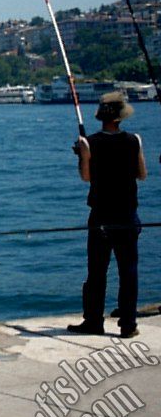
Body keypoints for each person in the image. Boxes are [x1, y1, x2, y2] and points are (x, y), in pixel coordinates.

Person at [68, 92, 148, 339]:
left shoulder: (89, 142)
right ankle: (128, 324)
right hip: (127, 213)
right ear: (122, 117)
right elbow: (142, 174)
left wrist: (84, 155)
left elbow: (86, 177)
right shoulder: (134, 140)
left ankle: (93, 320)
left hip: (101, 216)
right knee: (129, 270)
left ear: (102, 117)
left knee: (97, 271)